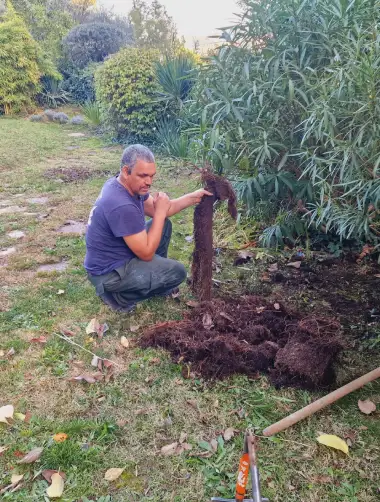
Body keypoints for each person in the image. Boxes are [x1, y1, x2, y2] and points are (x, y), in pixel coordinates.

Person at [84, 144, 211, 312]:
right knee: (178, 272)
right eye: (143, 176)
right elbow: (146, 252)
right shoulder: (121, 204)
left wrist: (194, 197)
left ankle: (155, 276)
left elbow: (164, 210)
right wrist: (159, 213)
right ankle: (118, 297)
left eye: (152, 176)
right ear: (126, 171)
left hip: (120, 256)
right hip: (108, 273)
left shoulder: (128, 186)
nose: (149, 182)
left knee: (163, 225)